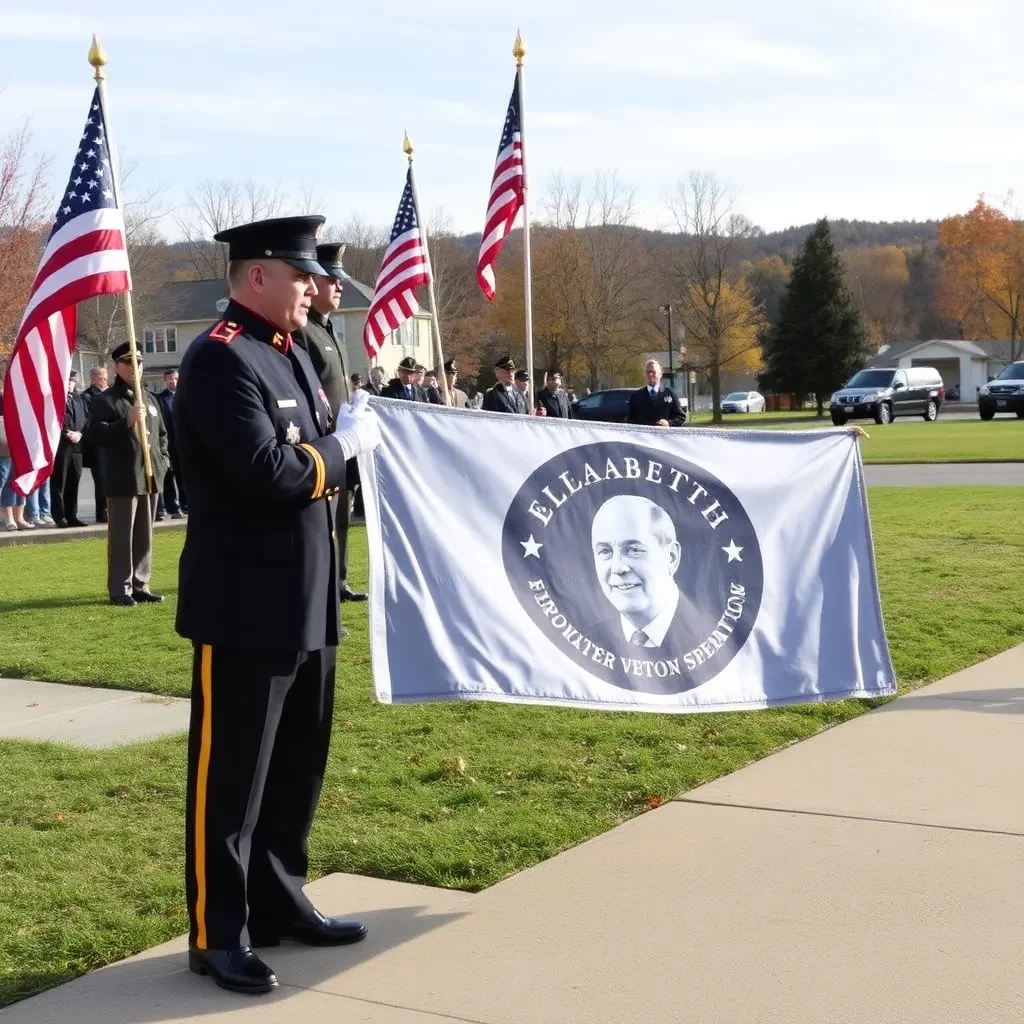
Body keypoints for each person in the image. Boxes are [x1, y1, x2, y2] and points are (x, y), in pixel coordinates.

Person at [173, 215, 380, 997]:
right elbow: (269, 474)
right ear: (257, 275)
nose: (312, 289)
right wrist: (340, 449)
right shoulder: (221, 359)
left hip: (308, 595)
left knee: (297, 766)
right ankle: (217, 931)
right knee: (231, 781)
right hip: (245, 606)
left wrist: (344, 445)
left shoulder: (288, 355)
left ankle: (280, 899)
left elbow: (309, 467)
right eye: (300, 276)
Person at [292, 242, 366, 604]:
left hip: (342, 441)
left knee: (341, 519)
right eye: (332, 279)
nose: (339, 287)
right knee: (323, 523)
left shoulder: (331, 331)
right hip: (321, 444)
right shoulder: (303, 331)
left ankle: (339, 582)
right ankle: (325, 588)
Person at [86, 343, 168, 605]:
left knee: (145, 535)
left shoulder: (151, 399)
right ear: (117, 367)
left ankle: (140, 584)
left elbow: (162, 436)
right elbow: (96, 435)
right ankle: (120, 589)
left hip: (149, 475)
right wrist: (126, 422)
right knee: (122, 537)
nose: (135, 368)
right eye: (129, 363)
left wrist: (163, 462)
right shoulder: (106, 400)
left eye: (139, 363)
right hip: (123, 478)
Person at [590, 495, 686, 649]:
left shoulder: (717, 637)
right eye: (605, 551)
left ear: (671, 557)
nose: (617, 568)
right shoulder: (588, 643)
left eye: (634, 550)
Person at [51, 369, 88, 527]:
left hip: (77, 447)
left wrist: (80, 434)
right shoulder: (54, 400)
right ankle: (59, 516)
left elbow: (86, 419)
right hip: (61, 447)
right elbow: (51, 422)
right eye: (67, 381)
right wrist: (67, 433)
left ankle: (72, 515)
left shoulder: (79, 400)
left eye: (72, 381)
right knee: (60, 482)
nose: (70, 384)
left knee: (74, 481)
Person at [157, 368, 187, 520]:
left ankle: (185, 504)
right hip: (168, 444)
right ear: (165, 381)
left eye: (175, 378)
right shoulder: (159, 399)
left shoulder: (186, 396)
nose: (172, 381)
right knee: (169, 476)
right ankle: (172, 506)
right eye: (169, 379)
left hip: (183, 444)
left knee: (184, 475)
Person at [81, 364, 109, 523]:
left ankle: (111, 510)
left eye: (105, 377)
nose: (104, 381)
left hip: (111, 443)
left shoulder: (110, 393)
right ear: (92, 378)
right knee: (101, 481)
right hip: (97, 446)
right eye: (100, 378)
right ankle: (102, 513)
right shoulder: (88, 396)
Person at [626, 359, 687, 427]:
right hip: (644, 436)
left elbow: (681, 417)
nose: (650, 374)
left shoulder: (670, 394)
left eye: (653, 372)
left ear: (660, 374)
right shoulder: (636, 397)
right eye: (648, 372)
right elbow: (630, 422)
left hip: (664, 436)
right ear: (644, 374)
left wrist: (669, 423)